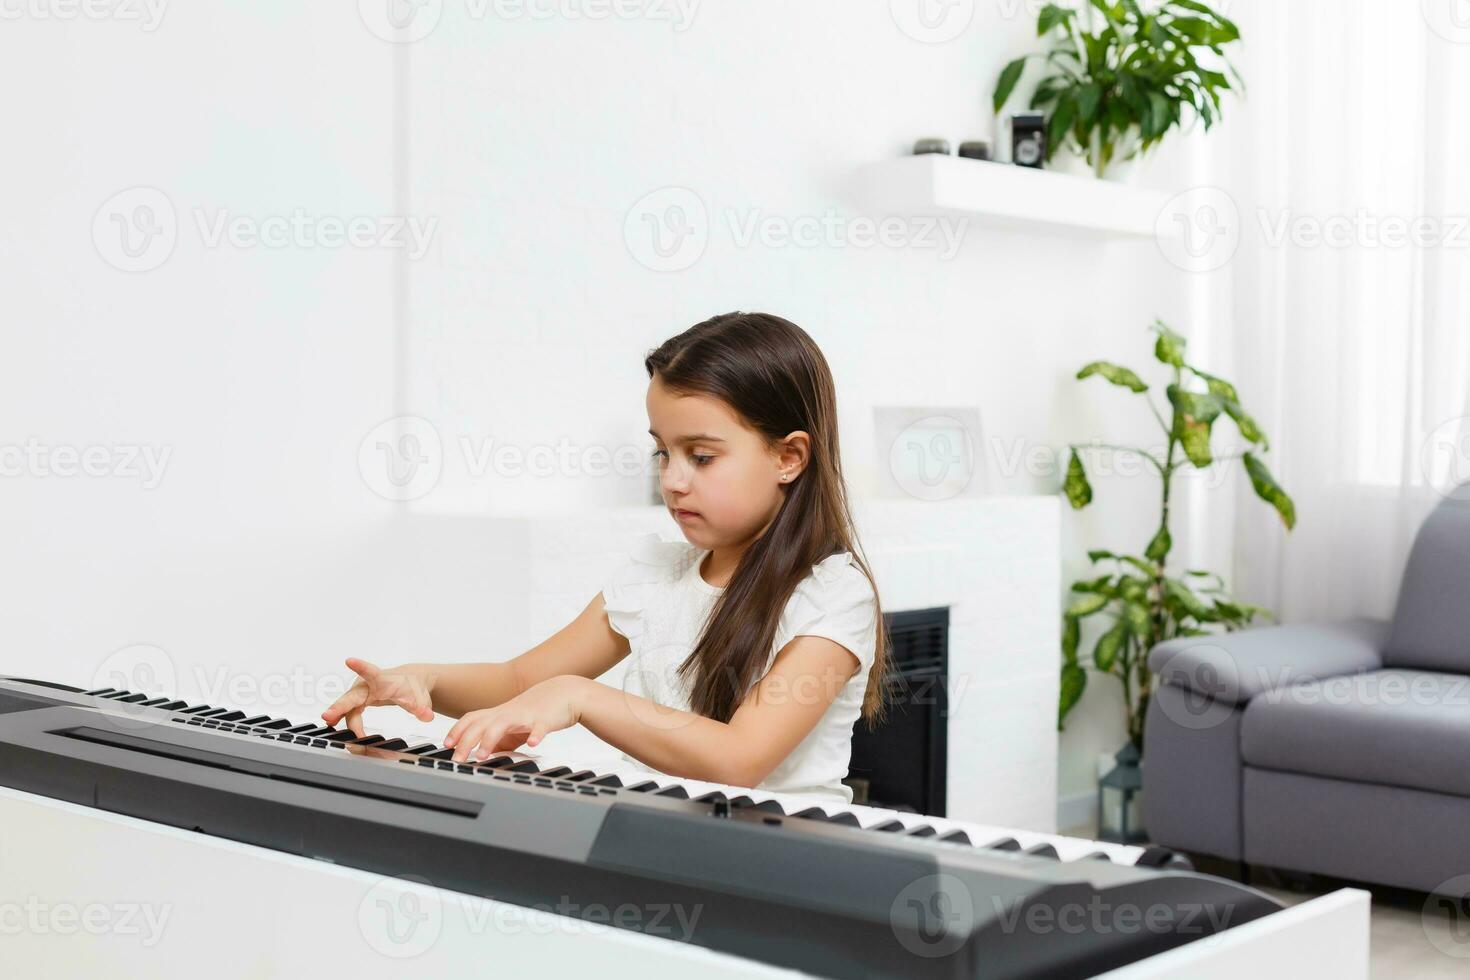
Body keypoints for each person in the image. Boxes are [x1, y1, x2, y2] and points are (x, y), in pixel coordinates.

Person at [322, 311, 888, 803]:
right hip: (657, 838)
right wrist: (423, 679)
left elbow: (738, 759)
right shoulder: (656, 575)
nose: (672, 480)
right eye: (662, 452)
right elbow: (520, 679)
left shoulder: (833, 596)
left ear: (789, 457)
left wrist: (580, 697)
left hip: (780, 861)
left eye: (702, 456)